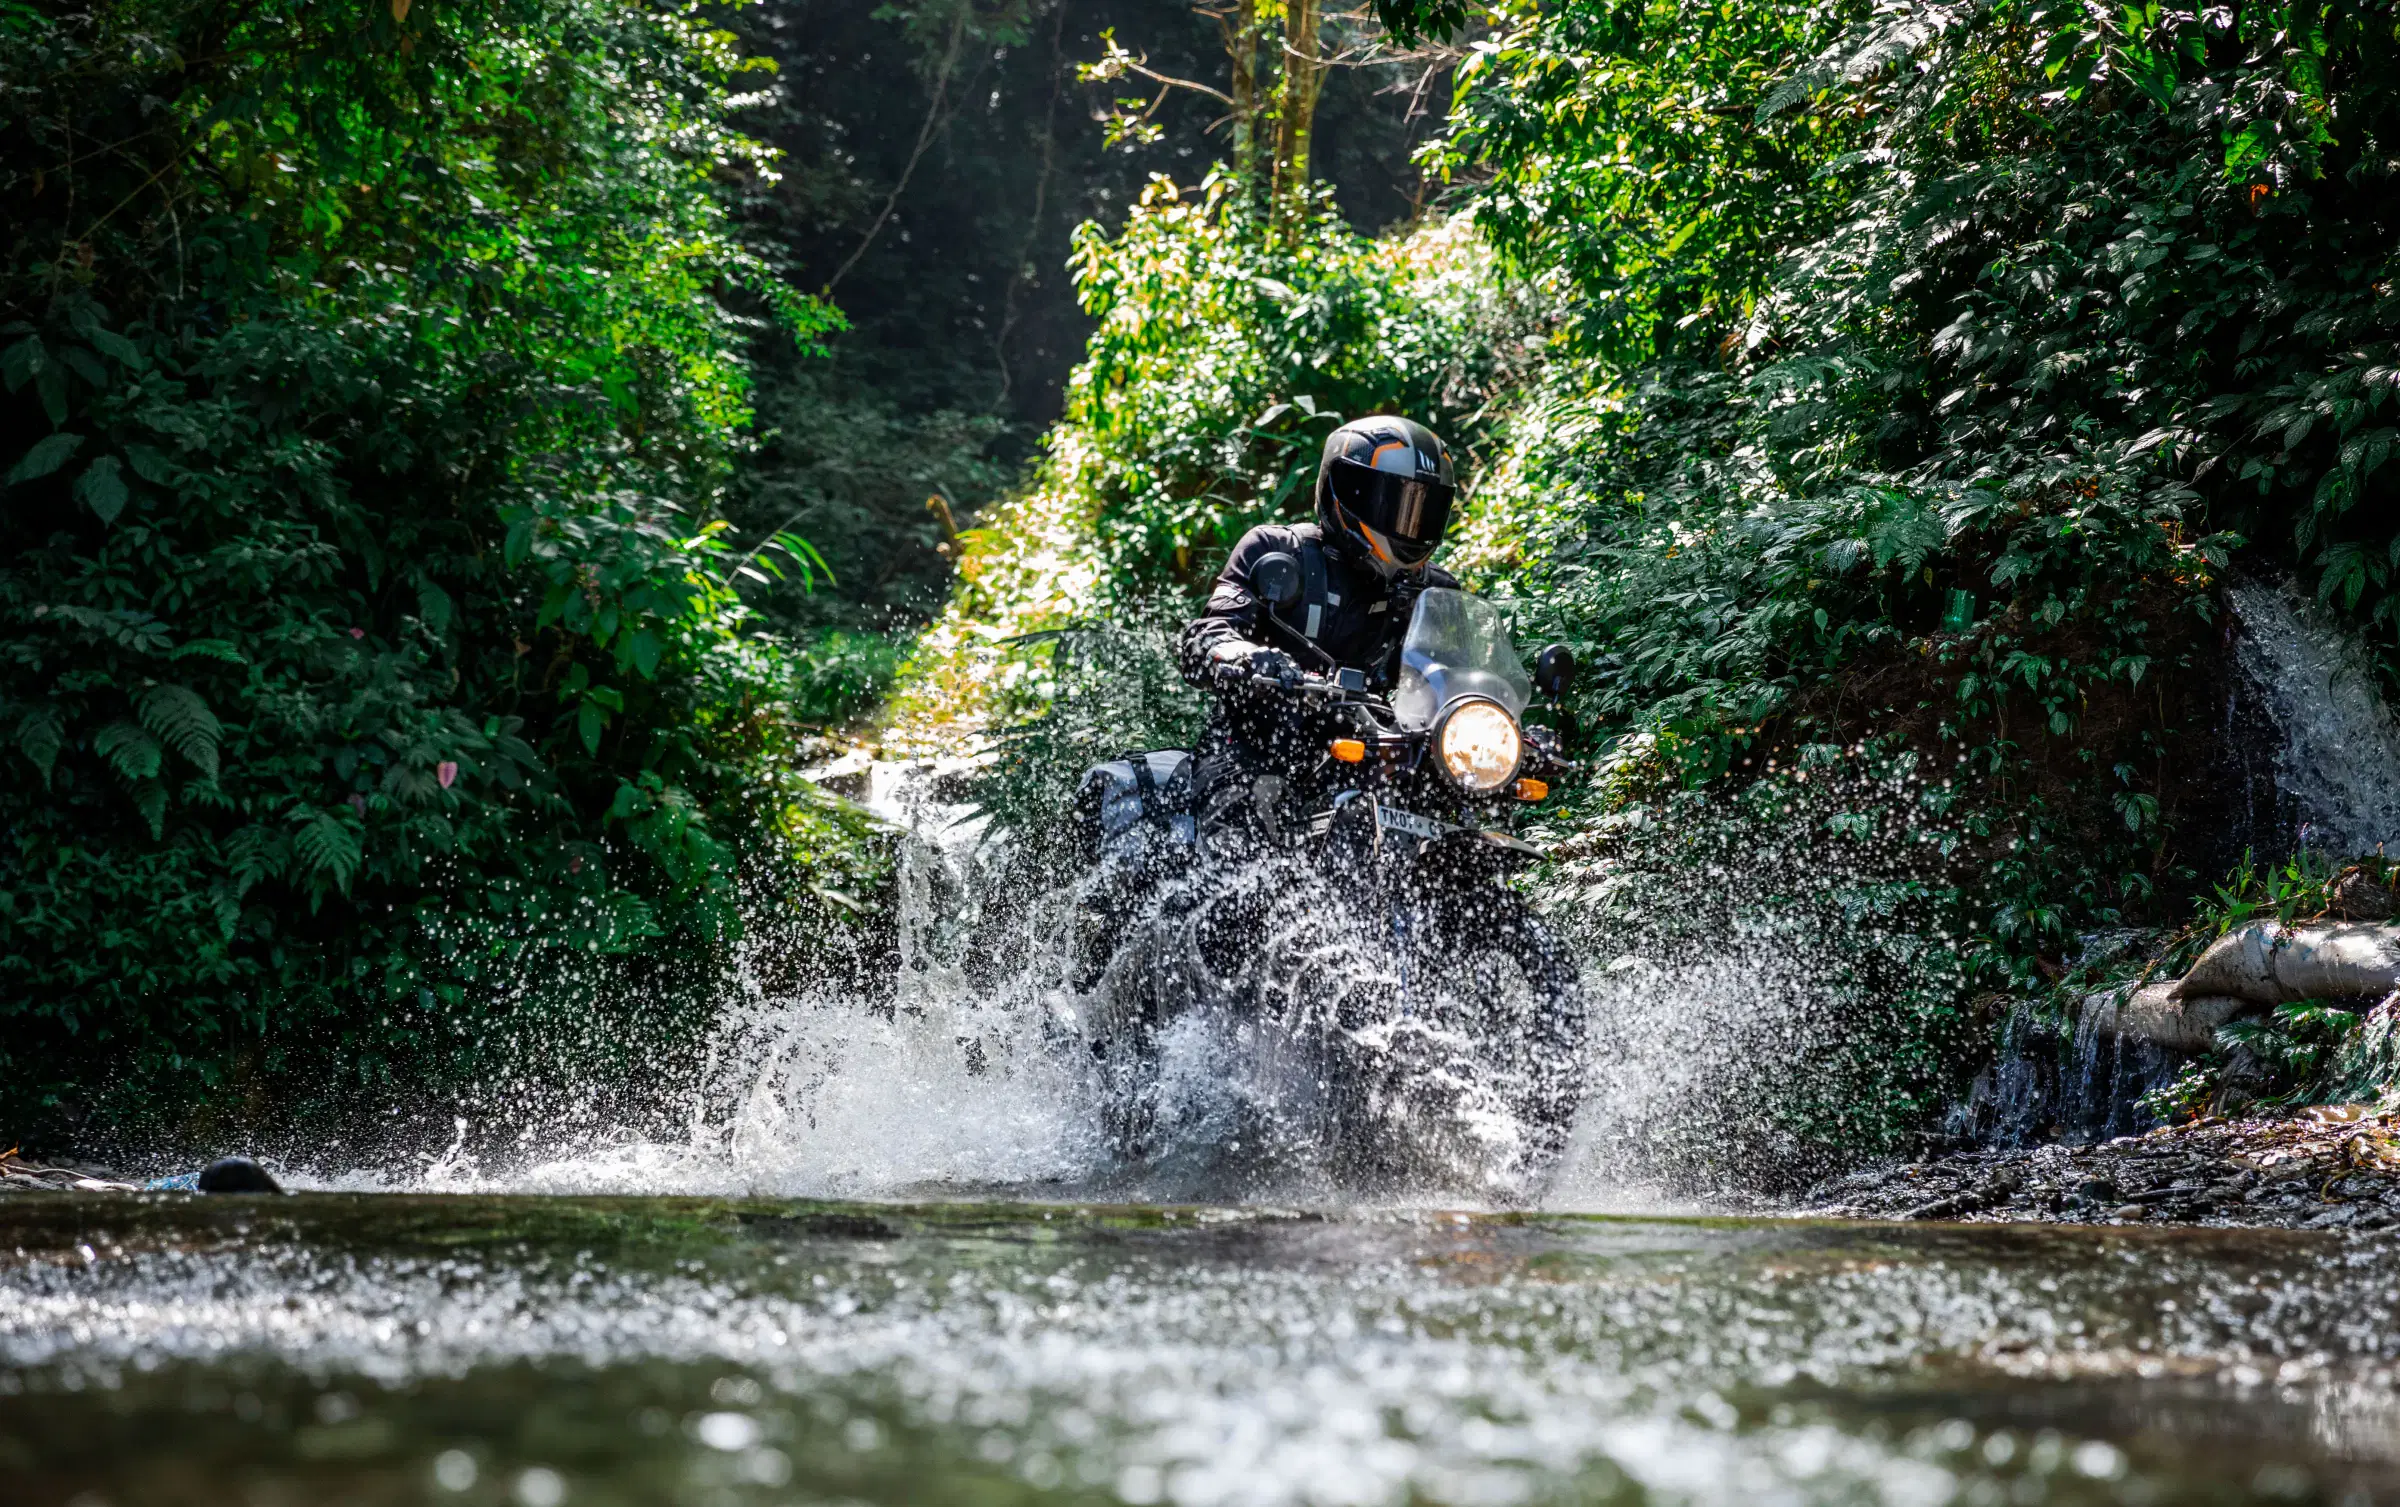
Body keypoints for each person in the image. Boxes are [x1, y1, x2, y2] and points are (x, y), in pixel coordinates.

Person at [1178, 414, 1460, 856]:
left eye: (1425, 509)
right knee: (1239, 871)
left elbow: (1458, 678)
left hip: (1374, 765)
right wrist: (1243, 655)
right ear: (1348, 490)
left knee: (1458, 850)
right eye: (1397, 504)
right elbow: (1208, 634)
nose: (1411, 524)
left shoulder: (1436, 592)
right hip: (1256, 751)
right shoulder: (1275, 551)